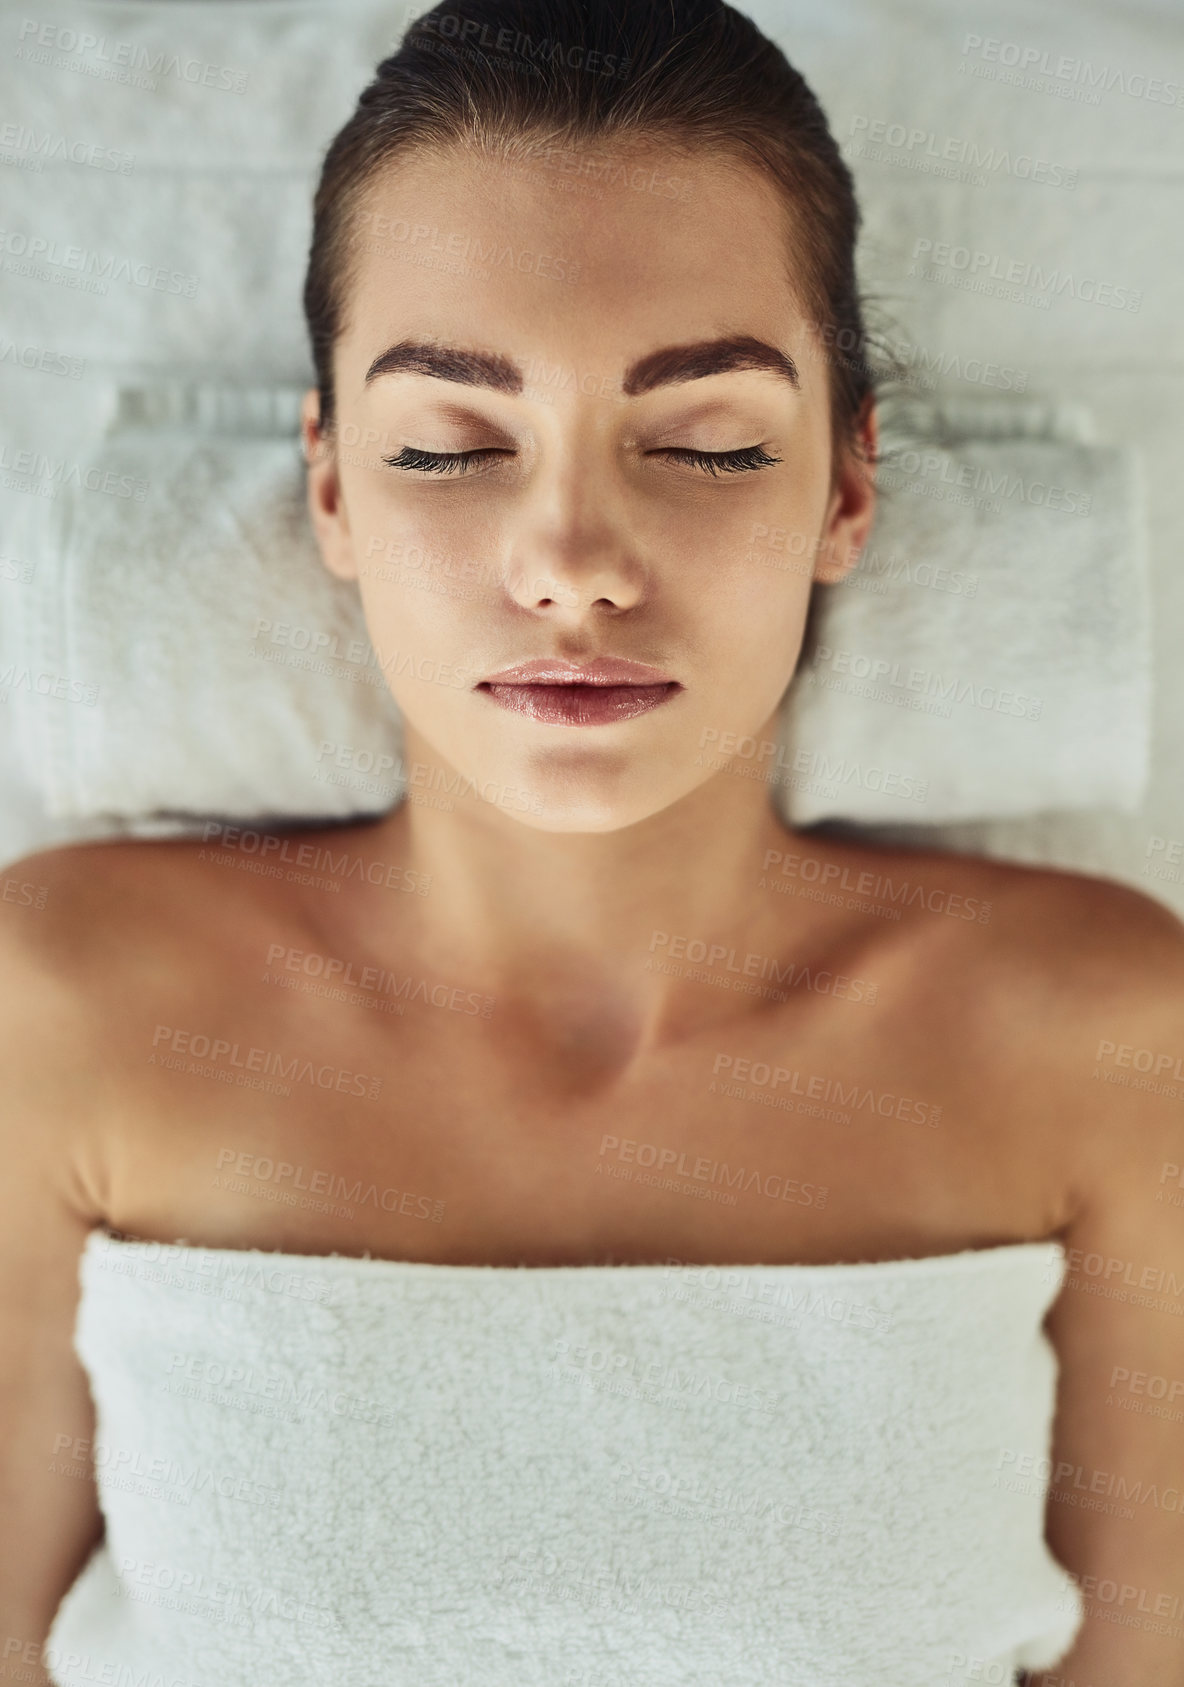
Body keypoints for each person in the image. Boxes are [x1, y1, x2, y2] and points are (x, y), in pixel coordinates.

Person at [2, 2, 1182, 1683]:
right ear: (331, 491)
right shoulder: (71, 1006)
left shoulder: (1103, 1033)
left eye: (706, 441)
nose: (570, 560)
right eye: (448, 445)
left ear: (847, 488)